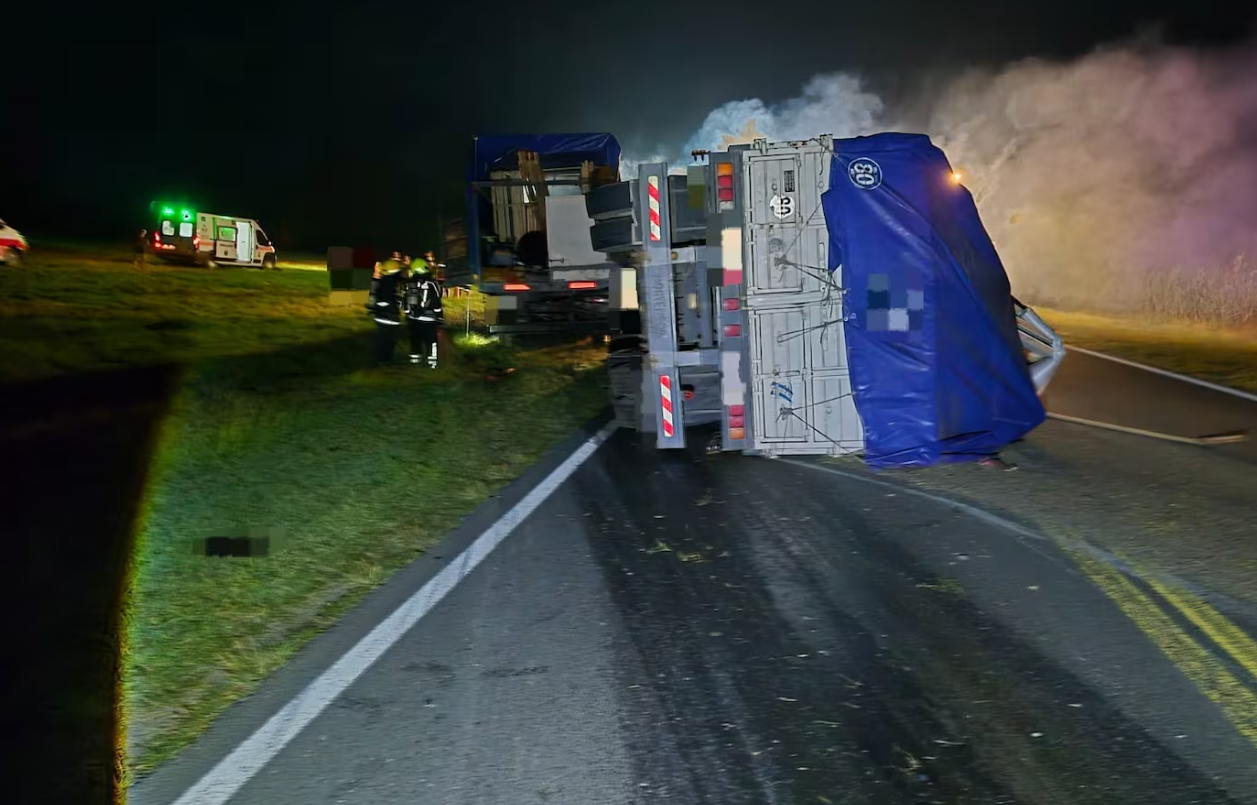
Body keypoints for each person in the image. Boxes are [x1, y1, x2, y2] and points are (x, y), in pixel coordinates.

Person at [404, 258, 444, 368]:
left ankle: (415, 364)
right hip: (429, 320)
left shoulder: (409, 283)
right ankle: (432, 364)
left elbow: (405, 299)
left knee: (415, 341)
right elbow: (436, 300)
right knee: (431, 342)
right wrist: (440, 317)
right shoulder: (432, 283)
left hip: (413, 319)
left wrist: (408, 315)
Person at [368, 256, 408, 365]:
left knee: (381, 340)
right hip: (391, 316)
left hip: (379, 316)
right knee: (389, 341)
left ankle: (379, 361)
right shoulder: (396, 283)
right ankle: (386, 361)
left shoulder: (379, 282)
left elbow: (372, 296)